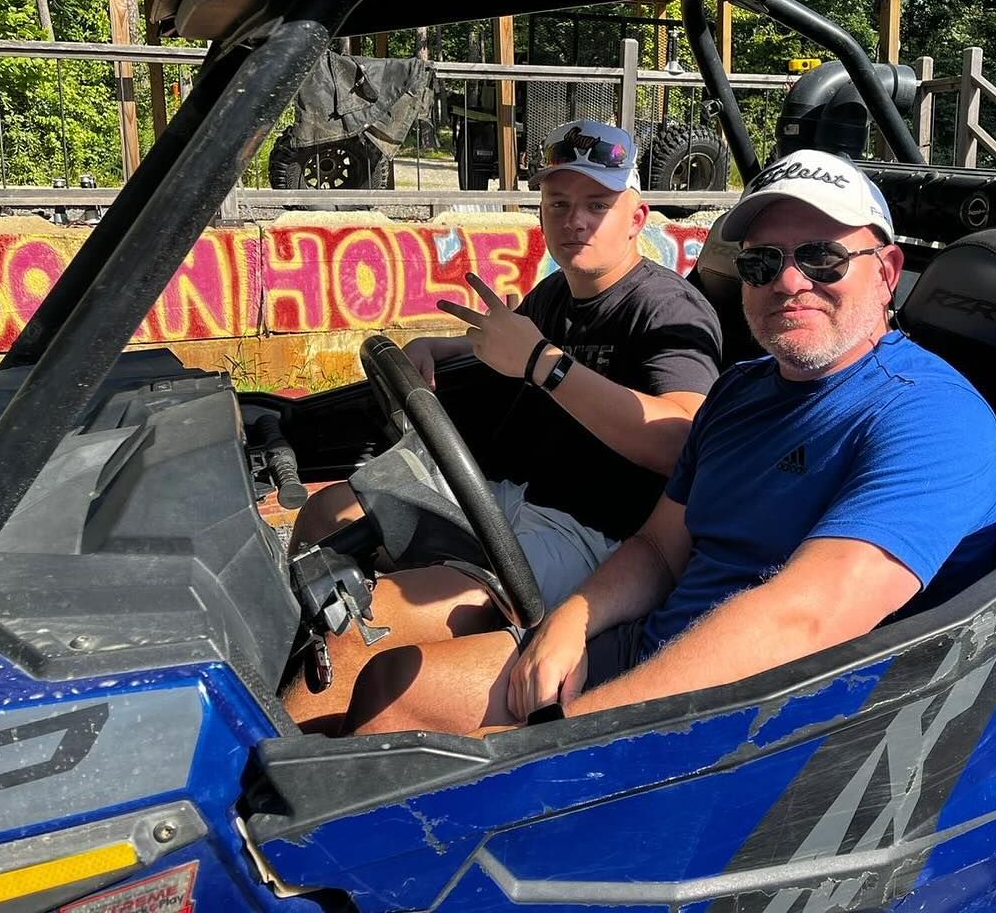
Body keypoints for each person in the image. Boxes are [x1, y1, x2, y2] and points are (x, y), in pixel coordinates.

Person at [344, 148, 996, 736]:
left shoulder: (931, 416)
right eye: (762, 261)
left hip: (769, 715)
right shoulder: (742, 391)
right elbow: (662, 549)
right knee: (391, 687)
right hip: (656, 650)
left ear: (888, 271)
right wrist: (575, 617)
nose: (789, 280)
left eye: (823, 257)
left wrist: (574, 739)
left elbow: (804, 621)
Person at [285, 119, 722, 732]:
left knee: (348, 622)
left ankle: (287, 779)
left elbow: (683, 437)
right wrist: (441, 348)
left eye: (598, 205)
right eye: (560, 204)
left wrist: (547, 367)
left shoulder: (665, 308)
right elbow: (509, 342)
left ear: (637, 216)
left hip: (590, 531)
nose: (577, 221)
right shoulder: (557, 294)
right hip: (506, 497)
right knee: (328, 514)